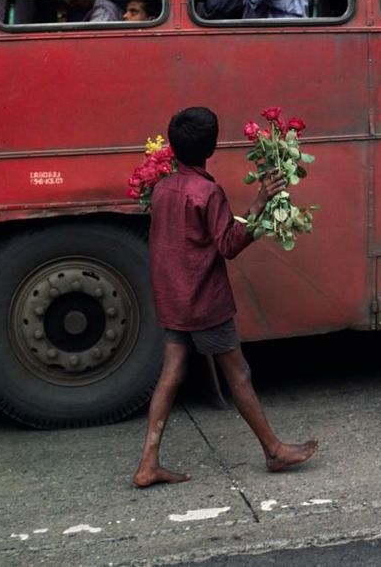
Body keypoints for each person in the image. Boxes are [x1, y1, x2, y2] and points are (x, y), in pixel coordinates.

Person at [133, 107, 319, 487]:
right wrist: (260, 203)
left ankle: (147, 464)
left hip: (173, 299)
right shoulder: (207, 191)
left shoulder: (164, 187)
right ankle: (273, 450)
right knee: (239, 374)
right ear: (212, 147)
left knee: (170, 376)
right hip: (205, 301)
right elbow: (228, 245)